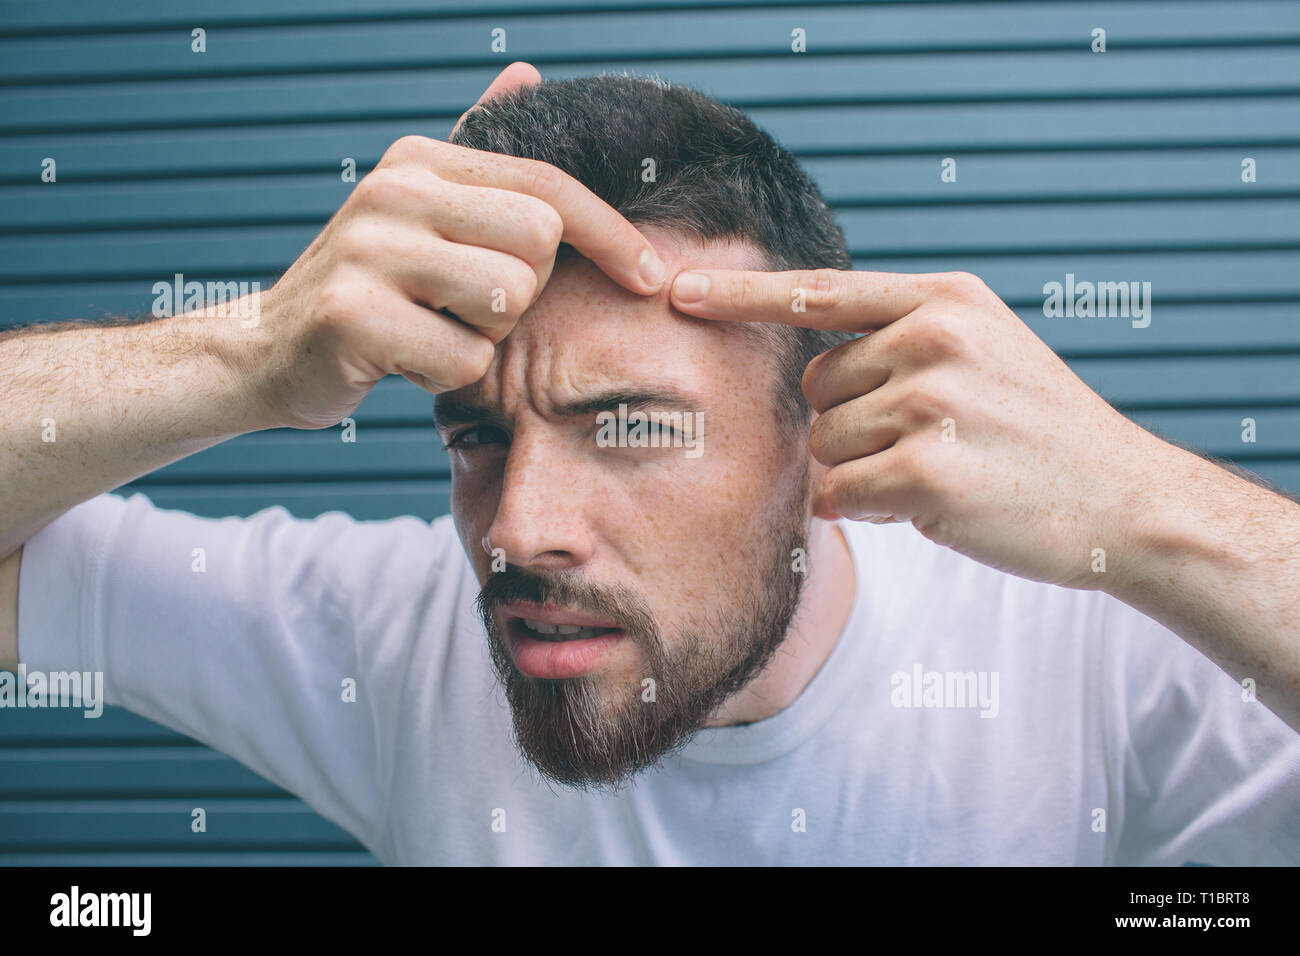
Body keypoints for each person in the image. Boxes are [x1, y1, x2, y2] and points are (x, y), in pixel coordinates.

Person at [1, 63, 1297, 865]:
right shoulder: (389, 639)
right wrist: (254, 350)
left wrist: (1148, 508)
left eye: (630, 426)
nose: (519, 532)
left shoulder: (1076, 649)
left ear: (822, 437)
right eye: (476, 438)